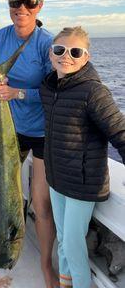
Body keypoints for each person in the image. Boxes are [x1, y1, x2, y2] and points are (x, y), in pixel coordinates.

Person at [0, 0, 58, 288]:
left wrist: (16, 93)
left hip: (41, 132)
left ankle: (46, 266)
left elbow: (53, 92)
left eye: (29, 2)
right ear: (9, 6)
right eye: (15, 2)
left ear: (39, 6)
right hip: (9, 128)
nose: (22, 8)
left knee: (40, 203)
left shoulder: (47, 43)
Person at [39, 26, 125, 288]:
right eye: (59, 50)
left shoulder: (93, 92)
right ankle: (66, 283)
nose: (67, 56)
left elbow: (119, 131)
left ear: (86, 57)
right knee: (64, 238)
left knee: (74, 243)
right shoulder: (49, 88)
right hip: (57, 178)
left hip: (83, 184)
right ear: (51, 55)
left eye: (76, 52)